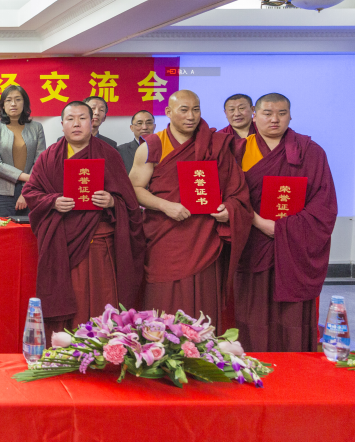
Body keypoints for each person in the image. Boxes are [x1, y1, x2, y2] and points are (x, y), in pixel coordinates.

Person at [129, 90, 252, 324]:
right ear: (168, 112)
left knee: (204, 302)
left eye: (196, 110)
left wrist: (229, 209)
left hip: (205, 237)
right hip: (165, 236)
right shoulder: (153, 146)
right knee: (164, 300)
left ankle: (203, 346)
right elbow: (134, 188)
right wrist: (165, 206)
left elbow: (236, 190)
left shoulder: (216, 144)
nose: (191, 116)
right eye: (183, 110)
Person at [24, 102, 145, 338]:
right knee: (69, 297)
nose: (76, 124)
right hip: (62, 242)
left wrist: (112, 201)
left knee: (101, 297)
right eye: (70, 119)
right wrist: (53, 201)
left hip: (99, 241)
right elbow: (31, 192)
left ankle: (102, 347)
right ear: (62, 125)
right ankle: (66, 346)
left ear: (92, 122)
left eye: (82, 118)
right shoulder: (49, 157)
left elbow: (129, 201)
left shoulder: (109, 154)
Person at [235, 93, 336, 352]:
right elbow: (230, 196)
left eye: (281, 113)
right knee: (253, 308)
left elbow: (324, 204)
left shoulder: (311, 152)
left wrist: (283, 229)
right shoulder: (239, 150)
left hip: (295, 247)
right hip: (252, 243)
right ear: (254, 116)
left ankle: (295, 365)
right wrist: (260, 222)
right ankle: (252, 361)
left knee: (291, 314)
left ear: (290, 116)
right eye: (267, 113)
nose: (275, 119)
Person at [0, 85, 46, 217]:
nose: (13, 104)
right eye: (8, 100)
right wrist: (27, 177)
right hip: (1, 193)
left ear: (24, 103)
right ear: (3, 105)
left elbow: (40, 161)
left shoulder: (37, 128)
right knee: (3, 230)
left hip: (31, 190)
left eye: (18, 99)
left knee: (30, 229)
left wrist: (27, 189)